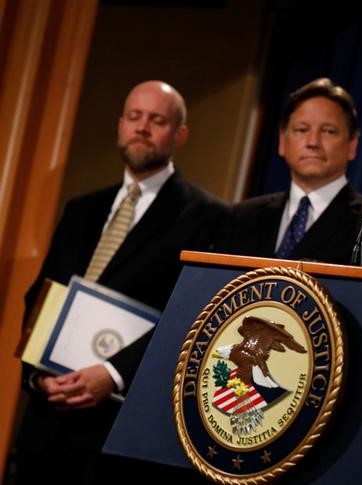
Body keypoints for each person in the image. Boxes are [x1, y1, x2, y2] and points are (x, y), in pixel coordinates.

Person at [13, 80, 227, 484]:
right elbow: (41, 297)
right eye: (134, 117)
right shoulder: (81, 208)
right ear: (120, 126)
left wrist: (113, 373)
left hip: (118, 436)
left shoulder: (208, 216)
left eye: (157, 120)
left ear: (179, 134)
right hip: (44, 427)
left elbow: (189, 319)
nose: (142, 127)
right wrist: (39, 375)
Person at [221, 78, 362, 268]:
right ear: (282, 142)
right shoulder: (242, 218)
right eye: (302, 130)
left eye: (328, 131)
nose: (313, 142)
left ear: (352, 145)